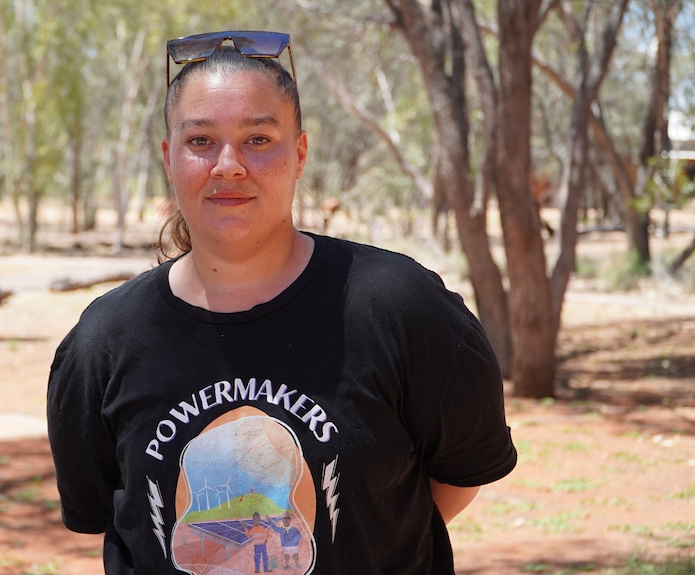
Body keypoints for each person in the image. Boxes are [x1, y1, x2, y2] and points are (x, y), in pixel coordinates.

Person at [47, 30, 517, 575]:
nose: (228, 165)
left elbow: (459, 474)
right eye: (200, 141)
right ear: (168, 158)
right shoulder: (102, 341)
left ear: (299, 153)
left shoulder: (404, 309)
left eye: (259, 139)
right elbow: (113, 516)